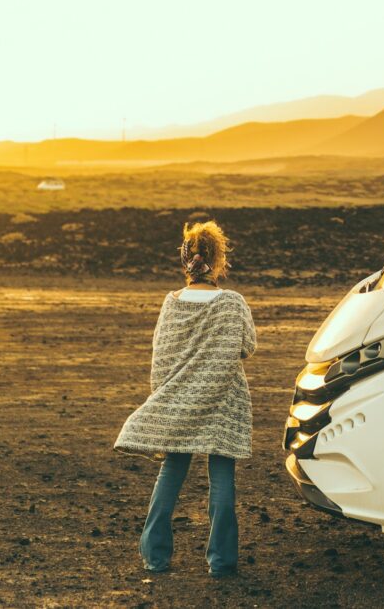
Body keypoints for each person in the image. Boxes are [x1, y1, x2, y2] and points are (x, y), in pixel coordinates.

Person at [114, 220, 256, 577]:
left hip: (180, 401)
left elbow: (160, 356)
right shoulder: (232, 303)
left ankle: (155, 557)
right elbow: (247, 347)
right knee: (222, 478)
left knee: (172, 471)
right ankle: (222, 562)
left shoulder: (171, 303)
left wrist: (166, 399)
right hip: (224, 401)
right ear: (218, 260)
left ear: (185, 261)